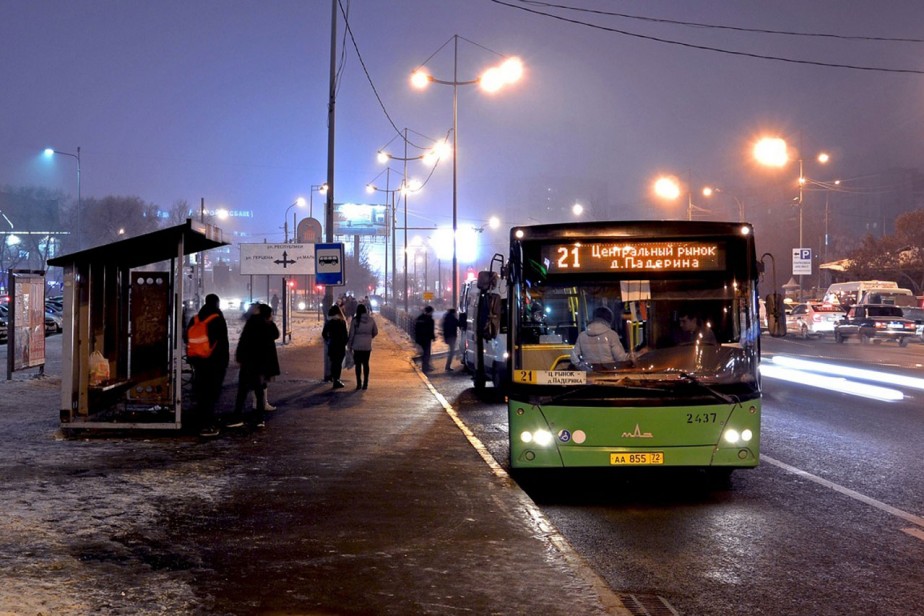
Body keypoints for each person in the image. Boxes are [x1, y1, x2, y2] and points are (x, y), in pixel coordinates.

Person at [184, 293, 230, 437]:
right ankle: (207, 424)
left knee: (201, 392)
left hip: (198, 361)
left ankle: (199, 420)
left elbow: (186, 337)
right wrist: (224, 361)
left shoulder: (195, 318)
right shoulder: (217, 318)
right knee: (211, 393)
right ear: (217, 303)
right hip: (215, 363)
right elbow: (223, 342)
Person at [232, 303, 280, 428]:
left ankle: (237, 416)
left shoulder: (252, 322)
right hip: (260, 362)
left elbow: (243, 340)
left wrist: (239, 356)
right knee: (259, 391)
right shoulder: (267, 325)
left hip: (248, 361)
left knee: (242, 390)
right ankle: (259, 419)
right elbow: (276, 334)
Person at [569, 306, 628, 370]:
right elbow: (621, 358)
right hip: (609, 374)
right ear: (609, 319)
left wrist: (584, 368)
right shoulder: (611, 335)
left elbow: (574, 358)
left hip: (589, 375)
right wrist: (632, 357)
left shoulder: (582, 335)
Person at [348, 303, 378, 390]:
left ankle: (359, 383)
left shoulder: (355, 321)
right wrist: (369, 337)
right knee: (366, 364)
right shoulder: (371, 320)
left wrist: (349, 345)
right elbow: (375, 331)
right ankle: (365, 383)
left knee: (358, 365)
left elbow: (351, 334)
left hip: (357, 346)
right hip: (367, 346)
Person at [322, 304, 349, 389]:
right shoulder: (342, 322)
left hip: (332, 345)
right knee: (338, 363)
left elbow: (323, 334)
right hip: (340, 345)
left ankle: (334, 379)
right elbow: (345, 335)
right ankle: (336, 380)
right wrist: (345, 343)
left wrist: (328, 340)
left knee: (333, 362)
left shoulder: (329, 322)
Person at [414, 305, 436, 373]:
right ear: (430, 312)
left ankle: (425, 367)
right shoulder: (430, 320)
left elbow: (415, 329)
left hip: (420, 339)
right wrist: (433, 337)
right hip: (427, 339)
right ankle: (425, 368)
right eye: (432, 312)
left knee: (424, 353)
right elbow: (431, 330)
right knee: (426, 354)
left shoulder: (419, 318)